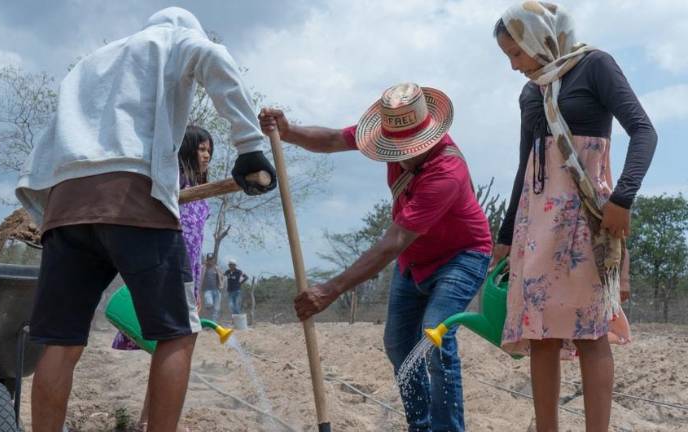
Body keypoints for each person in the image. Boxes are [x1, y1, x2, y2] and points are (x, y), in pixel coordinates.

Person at [15, 8, 276, 432]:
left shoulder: (92, 61)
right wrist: (249, 146)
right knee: (176, 333)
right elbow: (214, 58)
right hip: (134, 198)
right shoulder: (173, 41)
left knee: (60, 343)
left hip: (66, 205)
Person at [259, 82, 493, 432]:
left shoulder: (446, 172)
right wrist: (290, 132)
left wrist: (331, 289)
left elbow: (393, 240)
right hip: (414, 261)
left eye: (404, 148)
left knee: (434, 337)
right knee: (399, 343)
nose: (395, 153)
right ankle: (421, 425)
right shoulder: (387, 136)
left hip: (462, 255)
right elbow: (334, 139)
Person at [491, 3, 657, 431]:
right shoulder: (531, 92)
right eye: (508, 57)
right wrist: (506, 234)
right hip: (535, 228)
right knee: (540, 335)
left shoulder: (595, 66)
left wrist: (624, 198)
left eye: (516, 53)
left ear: (538, 38)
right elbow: (525, 165)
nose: (514, 66)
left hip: (587, 222)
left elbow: (644, 130)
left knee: (590, 332)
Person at [110, 125, 215, 429]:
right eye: (200, 148)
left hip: (187, 275)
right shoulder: (171, 183)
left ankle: (149, 421)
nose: (206, 155)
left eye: (209, 150)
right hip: (165, 269)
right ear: (185, 150)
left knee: (171, 350)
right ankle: (150, 422)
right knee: (172, 346)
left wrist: (195, 284)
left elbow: (197, 245)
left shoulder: (202, 192)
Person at [201, 253, 225, 322]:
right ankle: (208, 319)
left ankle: (213, 324)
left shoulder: (217, 268)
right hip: (207, 290)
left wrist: (221, 285)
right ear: (207, 260)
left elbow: (222, 277)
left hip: (217, 290)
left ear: (213, 260)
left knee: (216, 309)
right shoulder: (203, 268)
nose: (210, 261)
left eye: (211, 259)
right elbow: (199, 276)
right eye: (209, 259)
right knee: (209, 303)